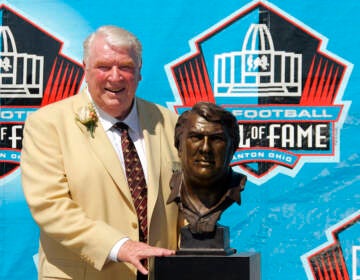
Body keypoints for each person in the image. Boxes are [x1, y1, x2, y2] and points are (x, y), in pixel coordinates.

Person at [20, 26, 181, 280]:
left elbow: (185, 199)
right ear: (85, 69)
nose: (115, 77)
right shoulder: (47, 124)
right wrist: (119, 247)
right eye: (104, 67)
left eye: (125, 67)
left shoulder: (169, 122)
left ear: (139, 72)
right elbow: (50, 206)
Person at [167, 102, 246, 235]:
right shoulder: (168, 185)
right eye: (196, 137)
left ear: (232, 149)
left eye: (216, 139)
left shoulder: (236, 185)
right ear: (180, 146)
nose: (205, 148)